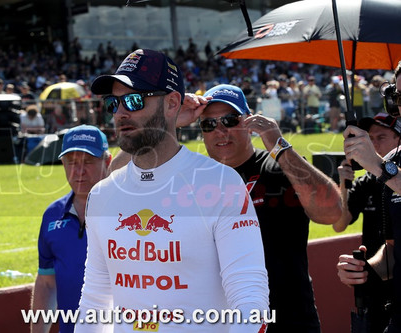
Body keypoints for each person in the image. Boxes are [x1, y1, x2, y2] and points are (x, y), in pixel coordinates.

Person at [75, 49, 269, 333]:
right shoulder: (102, 194)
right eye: (113, 103)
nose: (120, 112)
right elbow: (94, 301)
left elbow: (250, 300)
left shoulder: (220, 183)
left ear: (172, 102)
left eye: (134, 99)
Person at [176, 84, 342, 332]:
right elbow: (121, 173)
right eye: (209, 124)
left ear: (250, 121)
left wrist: (279, 146)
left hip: (289, 320)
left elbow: (332, 212)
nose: (220, 131)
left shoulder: (280, 167)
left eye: (230, 120)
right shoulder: (193, 179)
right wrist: (167, 122)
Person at [337, 60, 401, 333]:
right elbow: (392, 253)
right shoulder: (393, 162)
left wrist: (377, 166)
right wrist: (363, 269)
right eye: (398, 97)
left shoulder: (385, 168)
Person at [31, 125, 112, 333]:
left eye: (88, 162)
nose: (78, 172)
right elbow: (47, 283)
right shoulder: (52, 215)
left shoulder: (129, 213)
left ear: (108, 161)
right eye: (71, 163)